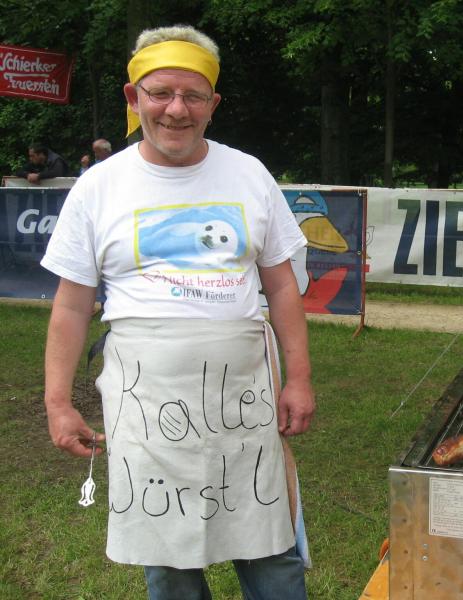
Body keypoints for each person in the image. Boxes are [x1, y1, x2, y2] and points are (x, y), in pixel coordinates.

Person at [41, 25, 314, 600]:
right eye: (160, 92)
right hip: (146, 407)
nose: (176, 109)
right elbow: (71, 303)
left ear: (213, 104)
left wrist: (299, 379)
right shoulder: (98, 187)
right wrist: (58, 402)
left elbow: (282, 287)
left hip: (243, 398)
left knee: (270, 549)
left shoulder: (249, 174)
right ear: (133, 97)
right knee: (167, 560)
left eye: (193, 96)